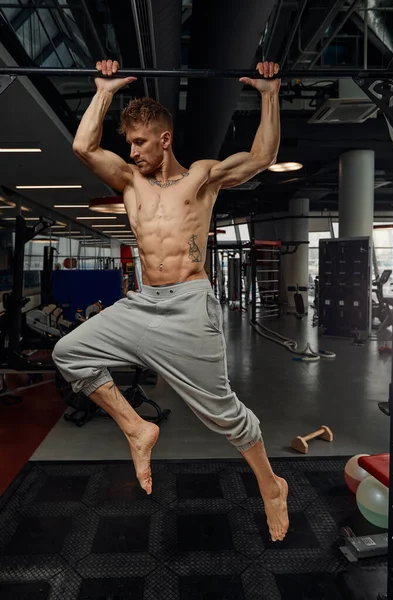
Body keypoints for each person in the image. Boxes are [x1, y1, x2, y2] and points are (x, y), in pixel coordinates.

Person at [52, 59, 289, 542]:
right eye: (129, 143)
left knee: (221, 411)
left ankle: (270, 484)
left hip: (189, 303)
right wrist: (102, 91)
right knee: (69, 353)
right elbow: (82, 146)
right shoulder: (128, 182)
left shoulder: (201, 177)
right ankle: (138, 430)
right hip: (144, 301)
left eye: (139, 142)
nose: (132, 151)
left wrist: (269, 94)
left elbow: (261, 156)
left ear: (164, 139)